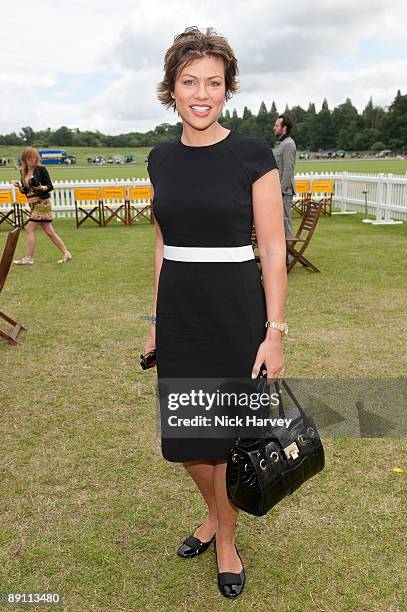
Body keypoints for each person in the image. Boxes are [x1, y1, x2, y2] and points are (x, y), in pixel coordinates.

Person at [143, 26, 287, 599]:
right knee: (187, 440)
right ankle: (215, 511)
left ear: (228, 90)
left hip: (235, 312)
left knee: (229, 438)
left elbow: (273, 248)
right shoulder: (158, 159)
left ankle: (224, 535)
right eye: (189, 81)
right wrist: (154, 320)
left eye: (213, 83)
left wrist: (274, 332)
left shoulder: (252, 154)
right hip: (180, 311)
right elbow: (161, 244)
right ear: (171, 89)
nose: (201, 93)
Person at [12, 147, 71, 265]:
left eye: (34, 157)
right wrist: (19, 187)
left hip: (42, 202)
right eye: (29, 158)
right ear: (24, 159)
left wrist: (42, 188)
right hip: (32, 204)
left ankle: (28, 258)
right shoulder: (23, 172)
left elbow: (50, 186)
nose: (32, 160)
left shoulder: (41, 169)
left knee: (29, 228)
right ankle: (66, 253)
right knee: (49, 232)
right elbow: (25, 191)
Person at [272, 113, 297, 240]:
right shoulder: (281, 143)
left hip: (284, 192)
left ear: (284, 128)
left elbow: (288, 171)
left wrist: (279, 190)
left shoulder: (288, 144)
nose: (274, 128)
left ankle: (289, 257)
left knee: (285, 222)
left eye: (277, 125)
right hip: (279, 191)